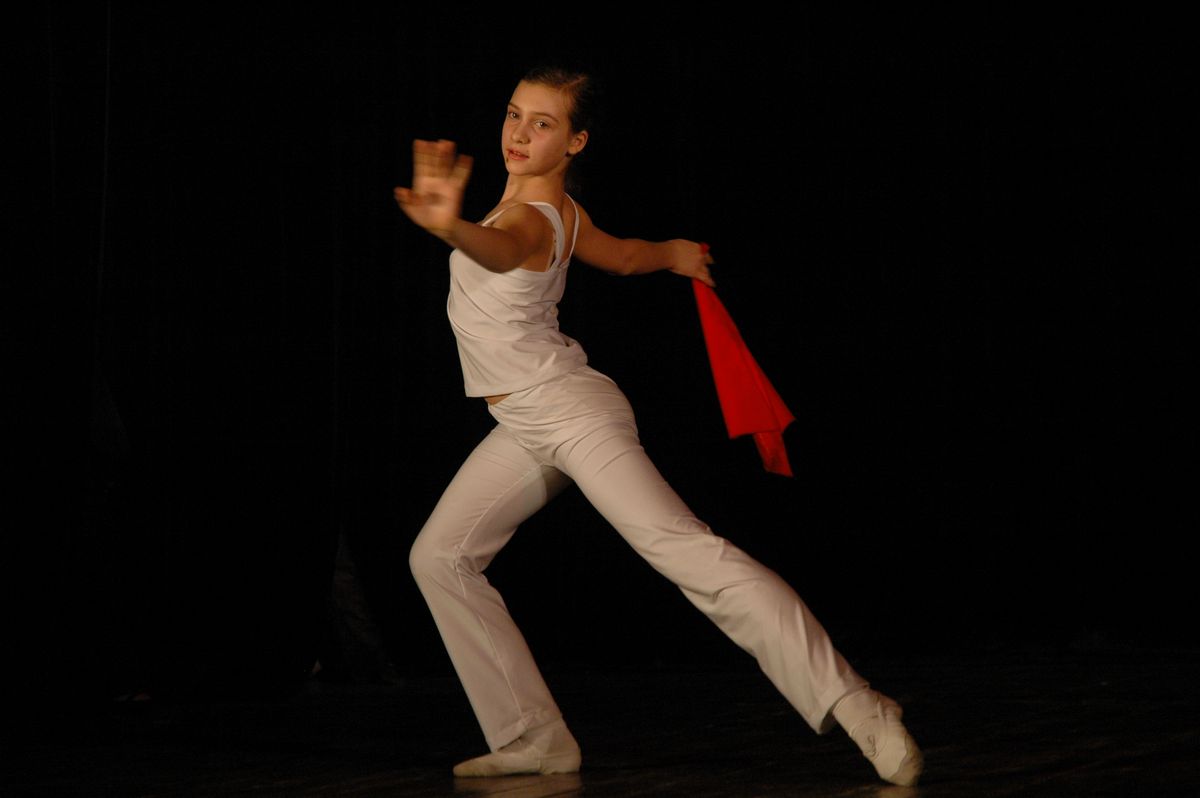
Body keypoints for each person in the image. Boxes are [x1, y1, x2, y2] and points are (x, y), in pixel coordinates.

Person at [393, 65, 924, 787]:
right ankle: (533, 736)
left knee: (687, 552)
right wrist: (674, 254)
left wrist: (449, 228)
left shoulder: (531, 219)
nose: (519, 133)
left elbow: (505, 248)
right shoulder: (563, 213)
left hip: (570, 414)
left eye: (543, 123)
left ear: (575, 141)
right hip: (524, 422)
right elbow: (622, 258)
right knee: (439, 557)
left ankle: (860, 707)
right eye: (515, 114)